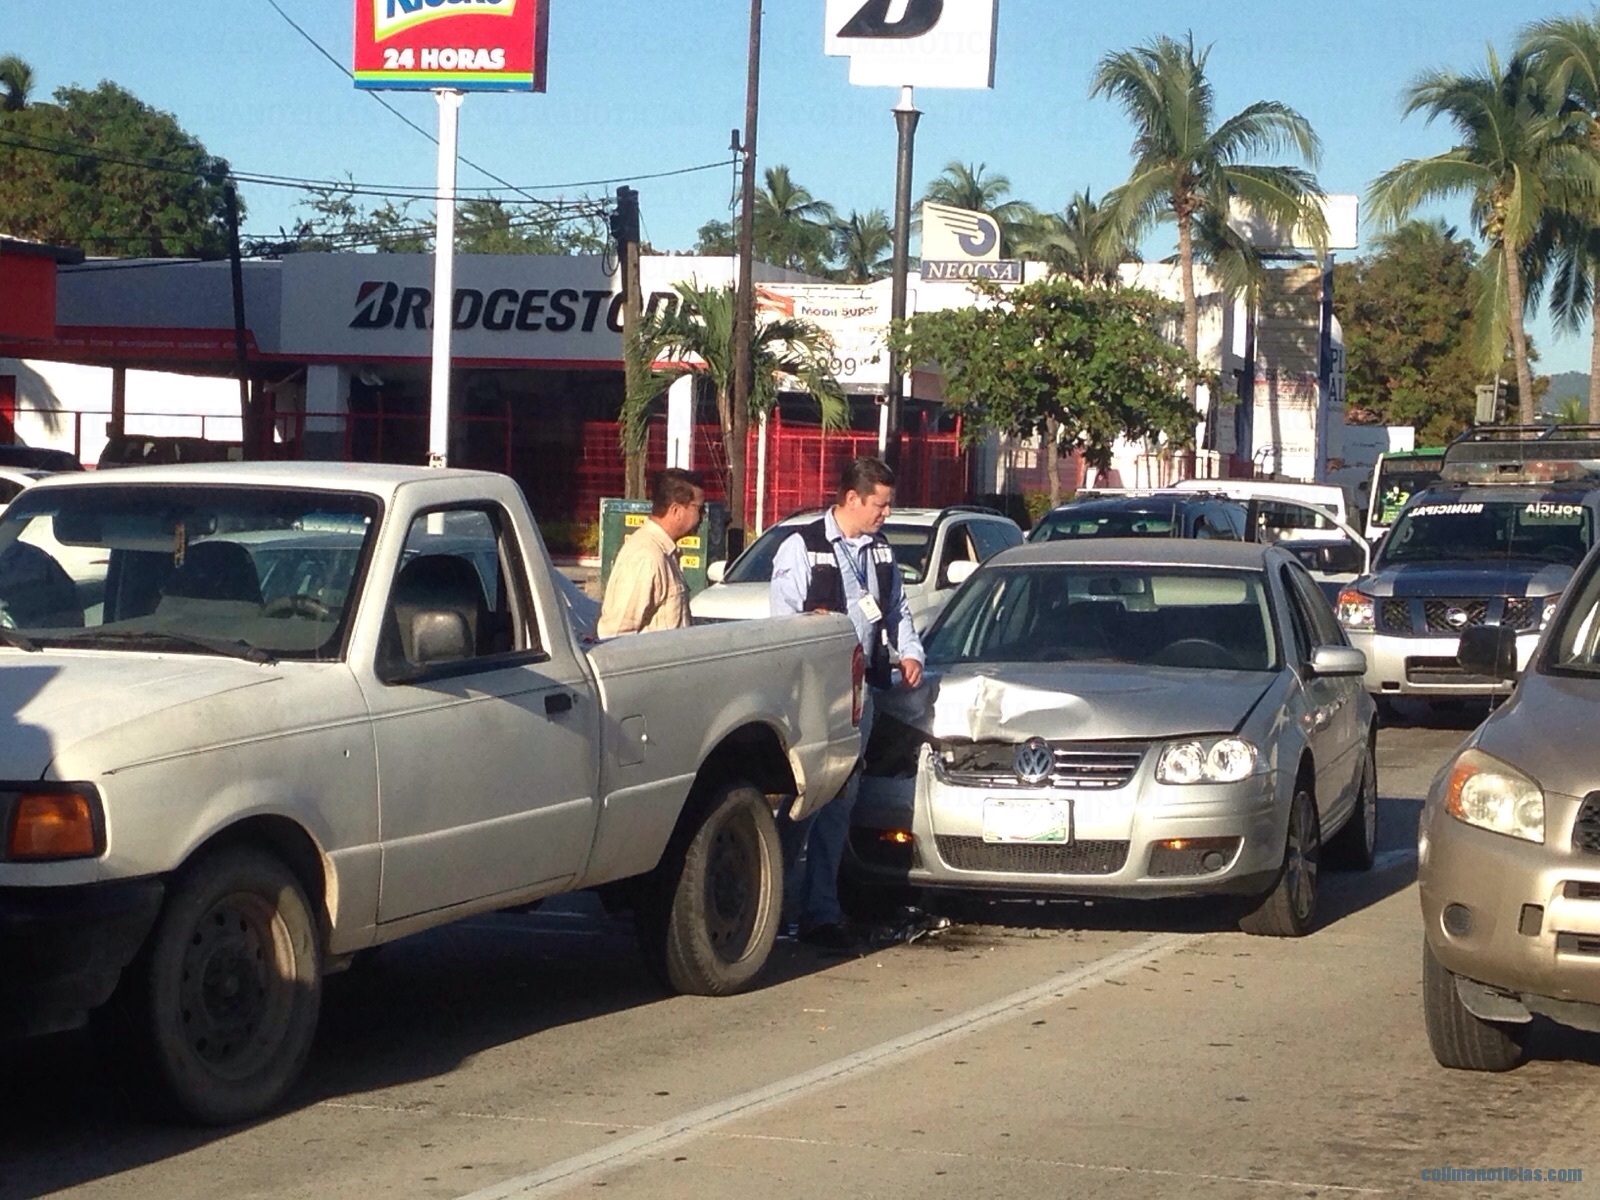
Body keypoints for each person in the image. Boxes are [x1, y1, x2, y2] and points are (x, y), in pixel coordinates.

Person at [769, 456, 924, 950]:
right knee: (804, 802)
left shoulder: (879, 551)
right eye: (880, 504)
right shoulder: (802, 546)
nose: (885, 514)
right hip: (817, 697)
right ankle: (771, 907)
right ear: (852, 499)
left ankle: (820, 914)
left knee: (840, 803)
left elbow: (896, 610)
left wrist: (911, 652)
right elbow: (781, 623)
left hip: (863, 696)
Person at [598, 468, 704, 637]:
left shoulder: (665, 552)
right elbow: (615, 633)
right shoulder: (646, 556)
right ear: (676, 510)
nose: (703, 516)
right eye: (700, 508)